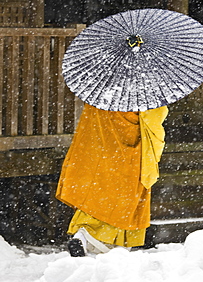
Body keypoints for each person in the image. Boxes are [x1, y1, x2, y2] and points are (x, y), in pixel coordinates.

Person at [56, 103, 168, 256]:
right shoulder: (144, 95)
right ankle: (115, 246)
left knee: (96, 193)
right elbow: (154, 120)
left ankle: (82, 234)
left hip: (101, 148)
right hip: (132, 153)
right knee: (126, 198)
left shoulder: (102, 94)